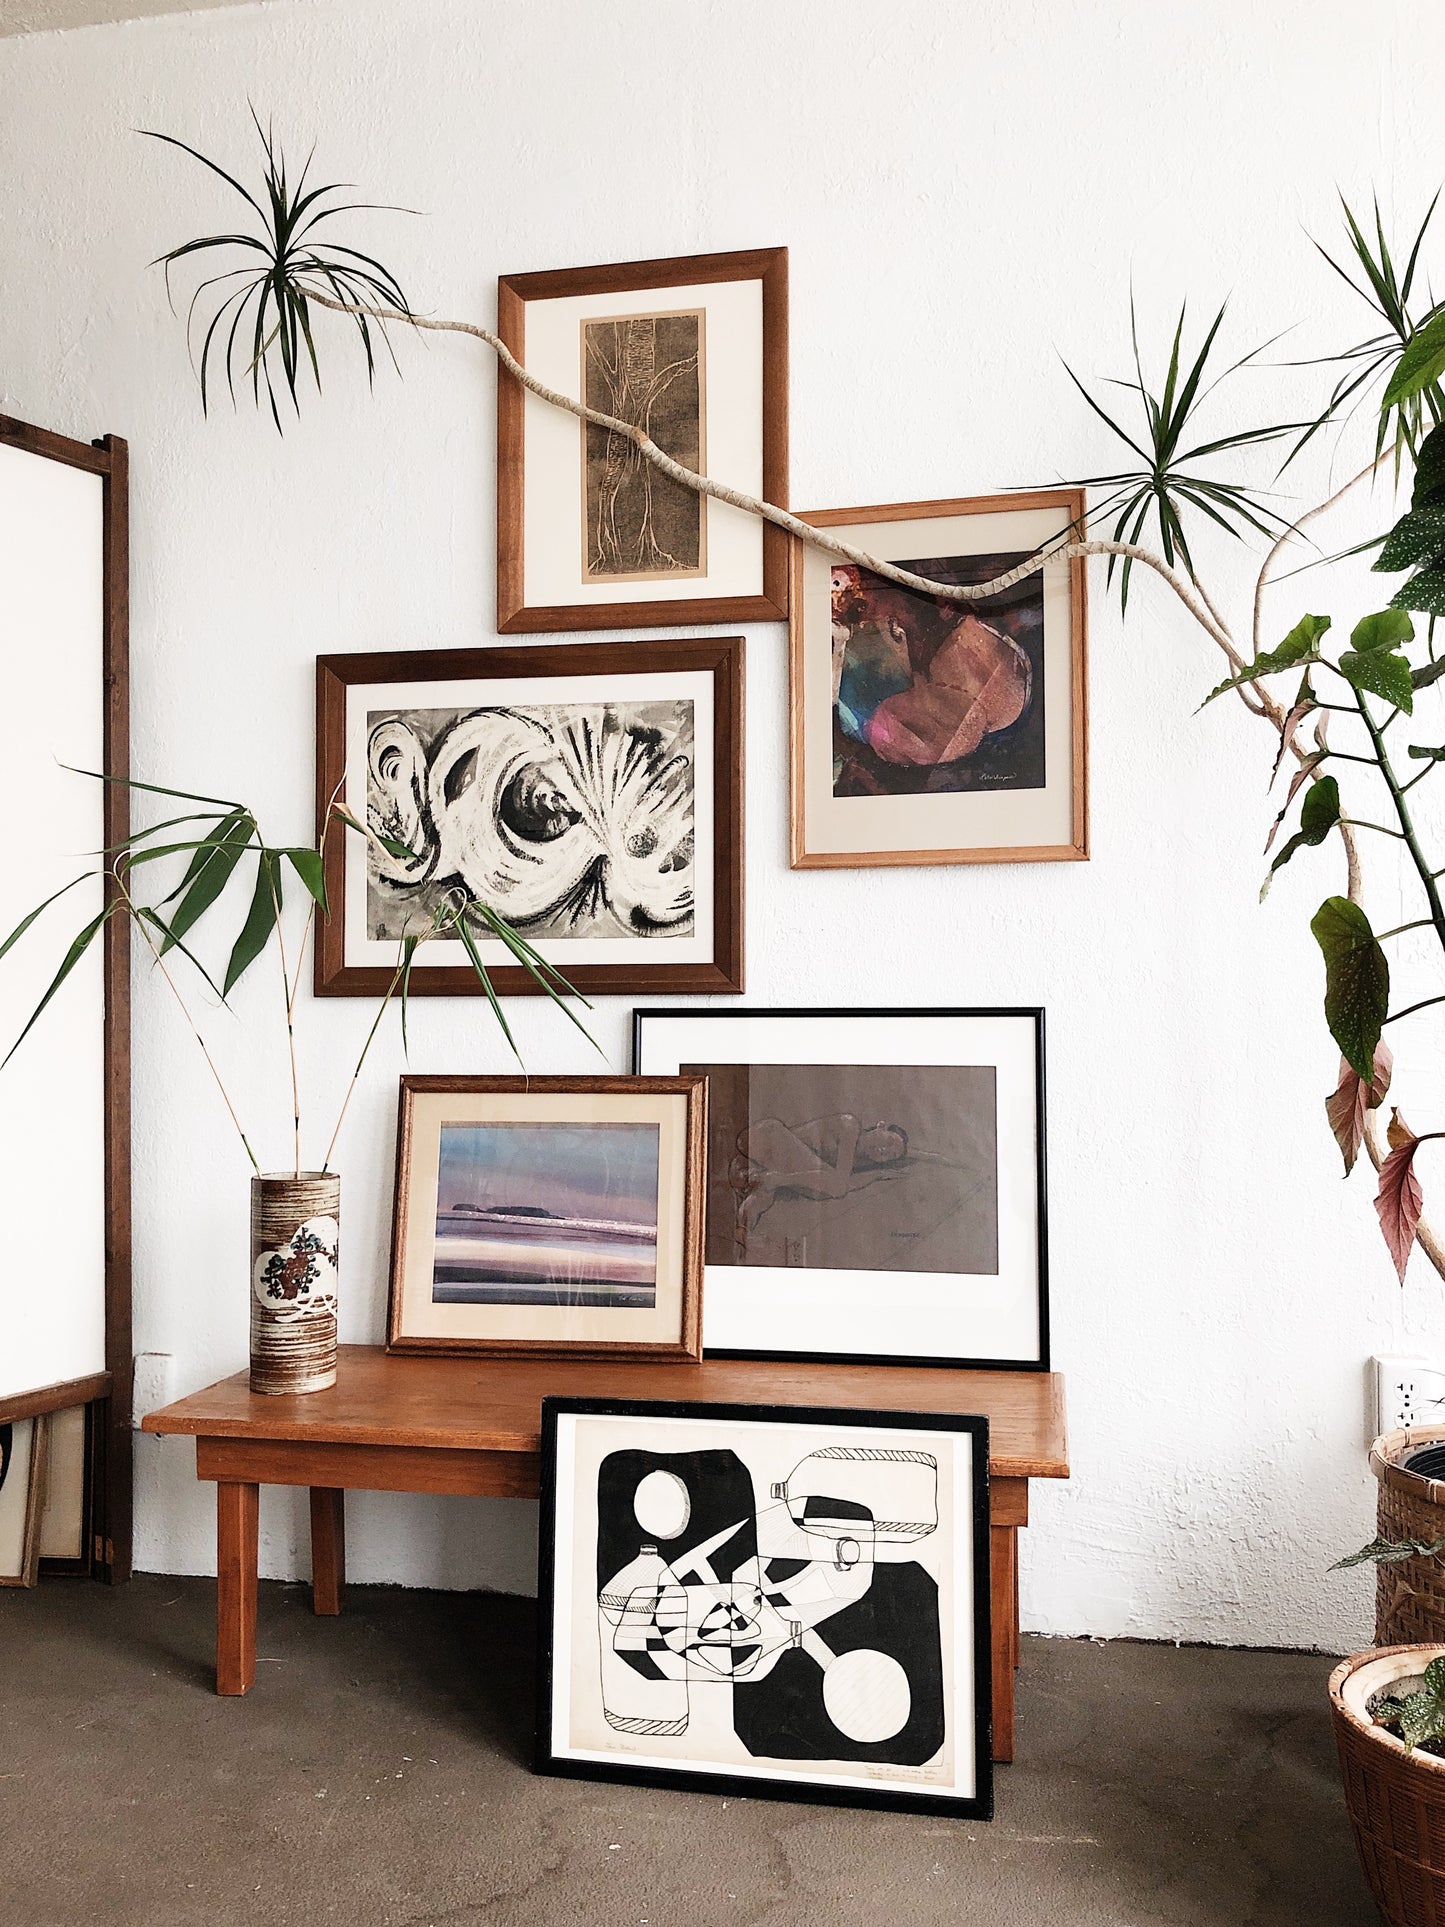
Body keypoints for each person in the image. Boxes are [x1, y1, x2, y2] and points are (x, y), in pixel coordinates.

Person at [728, 1113, 911, 1249]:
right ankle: (774, 1179)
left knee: (767, 1193)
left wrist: (877, 1175)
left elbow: (844, 1184)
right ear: (881, 1126)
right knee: (837, 1186)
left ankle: (743, 1226)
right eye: (888, 1141)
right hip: (763, 1136)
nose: (883, 1150)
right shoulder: (850, 1125)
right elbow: (841, 1185)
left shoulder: (855, 1163)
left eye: (890, 1155)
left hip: (759, 1160)